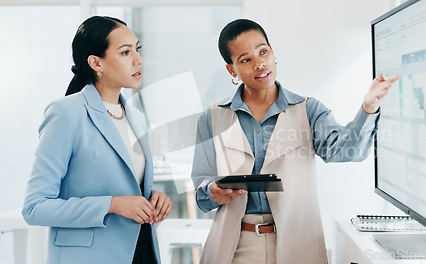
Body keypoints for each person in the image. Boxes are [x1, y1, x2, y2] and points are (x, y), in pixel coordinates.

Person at [191, 19, 399, 264]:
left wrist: (368, 107)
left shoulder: (308, 109)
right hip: (235, 246)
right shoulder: (213, 116)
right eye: (245, 60)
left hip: (296, 243)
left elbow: (347, 150)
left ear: (272, 51)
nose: (259, 64)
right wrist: (212, 192)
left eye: (263, 51)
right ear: (231, 69)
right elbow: (201, 189)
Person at [22, 16, 173, 264]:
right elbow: (35, 207)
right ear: (96, 62)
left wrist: (154, 199)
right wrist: (112, 205)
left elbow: (126, 185)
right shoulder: (66, 113)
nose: (138, 59)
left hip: (140, 251)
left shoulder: (137, 118)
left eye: (138, 49)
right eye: (126, 52)